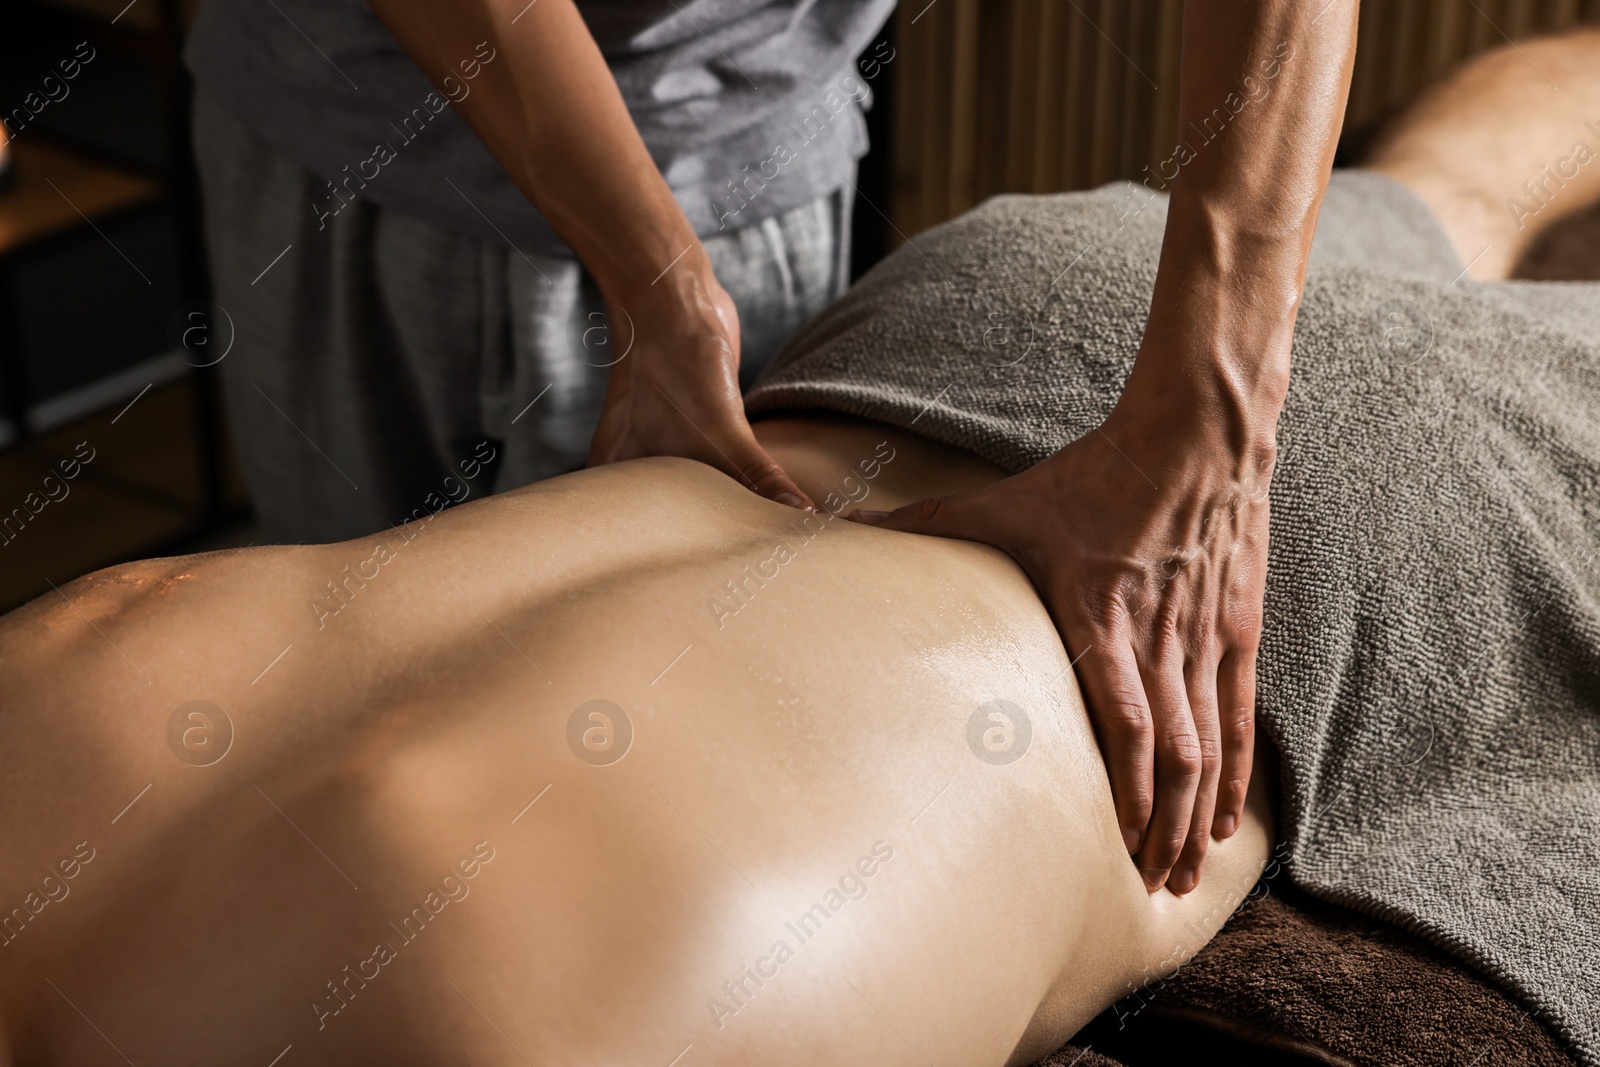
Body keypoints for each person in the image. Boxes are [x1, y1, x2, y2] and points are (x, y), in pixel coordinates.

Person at [5, 29, 1600, 1064]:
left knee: (1438, 190)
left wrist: (1209, 441)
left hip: (1039, 346)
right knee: (1444, 194)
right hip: (1101, 374)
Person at [188, 0, 1363, 897]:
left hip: (738, 139)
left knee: (627, 808)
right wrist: (659, 283)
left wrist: (1213, 430)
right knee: (313, 739)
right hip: (330, 123)